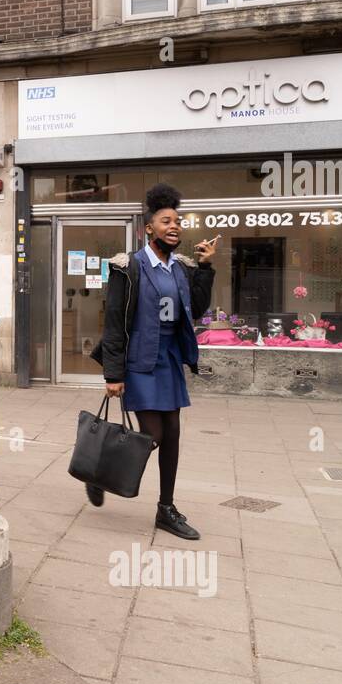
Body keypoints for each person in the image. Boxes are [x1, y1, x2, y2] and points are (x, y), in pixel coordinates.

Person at [88, 184, 217, 540]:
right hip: (140, 361)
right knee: (152, 435)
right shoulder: (129, 267)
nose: (174, 226)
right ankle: (100, 471)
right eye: (165, 221)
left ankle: (166, 509)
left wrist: (205, 267)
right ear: (149, 228)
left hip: (169, 360)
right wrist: (113, 373)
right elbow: (114, 322)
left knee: (172, 434)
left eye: (177, 221)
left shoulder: (182, 269)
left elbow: (198, 308)